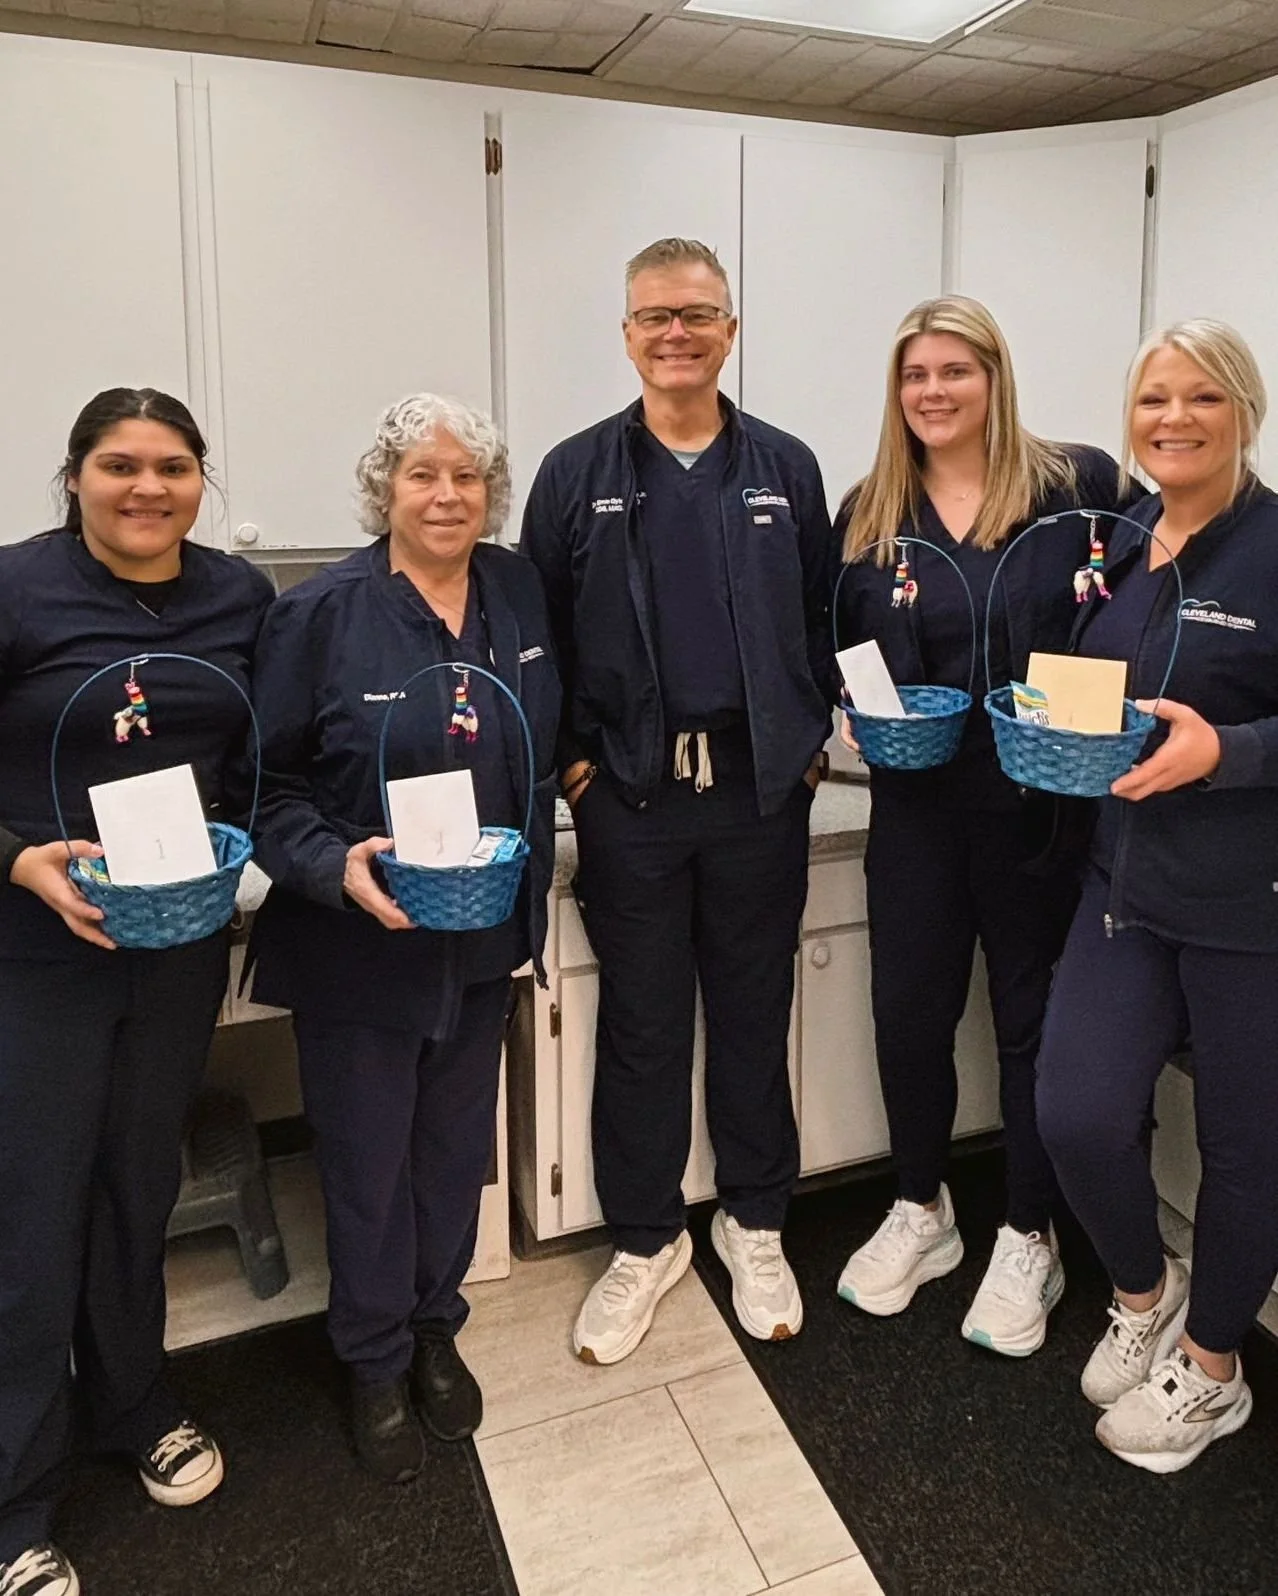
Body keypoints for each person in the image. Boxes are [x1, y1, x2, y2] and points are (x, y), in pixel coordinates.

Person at [522, 237, 833, 1364]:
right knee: (644, 1029)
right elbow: (534, 638)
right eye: (655, 316)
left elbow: (818, 624)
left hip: (758, 795)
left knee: (753, 1018)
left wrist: (802, 758)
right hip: (631, 802)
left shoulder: (786, 470)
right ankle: (647, 1240)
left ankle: (755, 1221)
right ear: (627, 334)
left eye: (698, 315)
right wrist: (572, 770)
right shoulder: (575, 474)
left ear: (730, 329)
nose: (677, 334)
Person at [248, 394, 558, 1483]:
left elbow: (546, 731)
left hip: (479, 937)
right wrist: (332, 865)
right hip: (361, 947)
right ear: (385, 487)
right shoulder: (321, 614)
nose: (446, 494)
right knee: (368, 1161)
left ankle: (434, 1322)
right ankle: (372, 1355)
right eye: (423, 475)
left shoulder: (518, 591)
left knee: (449, 1152)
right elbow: (267, 787)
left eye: (467, 477)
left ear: (491, 494)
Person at [0, 389, 273, 1596]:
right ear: (73, 476)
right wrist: (15, 856)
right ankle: (16, 1497)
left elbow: (264, 746)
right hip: (36, 948)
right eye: (120, 465)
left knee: (136, 1183)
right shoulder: (16, 589)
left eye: (172, 466)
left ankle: (136, 1405)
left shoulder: (238, 597)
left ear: (201, 479)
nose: (146, 488)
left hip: (175, 937)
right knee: (32, 1212)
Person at [832, 296, 1135, 1357]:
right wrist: (855, 718)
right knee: (908, 1015)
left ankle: (1027, 1231)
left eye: (956, 371)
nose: (934, 392)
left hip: (1041, 811)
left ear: (995, 378)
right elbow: (837, 647)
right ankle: (924, 1209)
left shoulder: (1078, 488)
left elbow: (1144, 607)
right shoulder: (871, 510)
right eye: (916, 374)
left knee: (1029, 1025)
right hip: (915, 810)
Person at [1036, 320, 1278, 1471]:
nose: (1173, 420)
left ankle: (1216, 1367)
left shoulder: (1276, 547)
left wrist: (1228, 755)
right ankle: (1145, 1289)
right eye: (1152, 401)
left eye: (1202, 400)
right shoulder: (1123, 533)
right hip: (1122, 884)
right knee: (1076, 1113)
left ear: (1246, 413)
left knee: (1245, 1153)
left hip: (1250, 908)